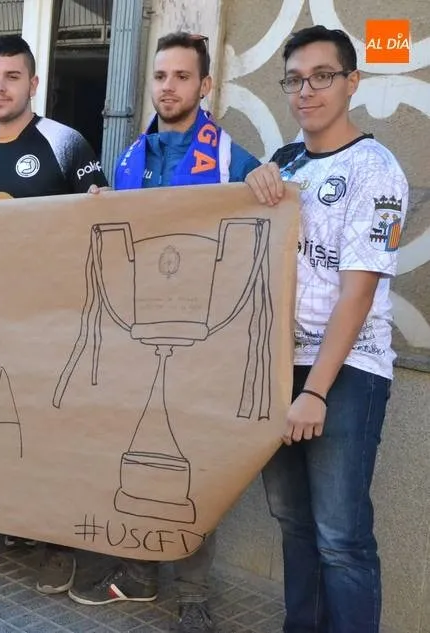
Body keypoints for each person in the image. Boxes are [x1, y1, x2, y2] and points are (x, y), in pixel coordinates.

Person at [65, 32, 261, 633]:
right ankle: (140, 569)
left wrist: (271, 186)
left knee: (196, 464)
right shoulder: (129, 159)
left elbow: (263, 231)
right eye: (159, 76)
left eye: (181, 76)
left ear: (205, 86)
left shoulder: (231, 158)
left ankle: (193, 591)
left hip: (203, 340)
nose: (167, 87)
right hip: (137, 332)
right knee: (134, 446)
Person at [245, 26, 408, 633]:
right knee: (292, 522)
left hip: (345, 372)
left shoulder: (375, 169)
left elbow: (359, 293)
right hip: (276, 367)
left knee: (341, 536)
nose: (306, 90)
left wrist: (314, 391)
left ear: (351, 82)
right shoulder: (286, 159)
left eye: (322, 76)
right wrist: (254, 183)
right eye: (294, 79)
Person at [0, 35, 108, 593]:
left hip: (51, 324)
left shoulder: (65, 142)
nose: (0, 86)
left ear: (34, 84)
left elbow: (102, 217)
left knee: (47, 434)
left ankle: (56, 545)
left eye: (13, 76)